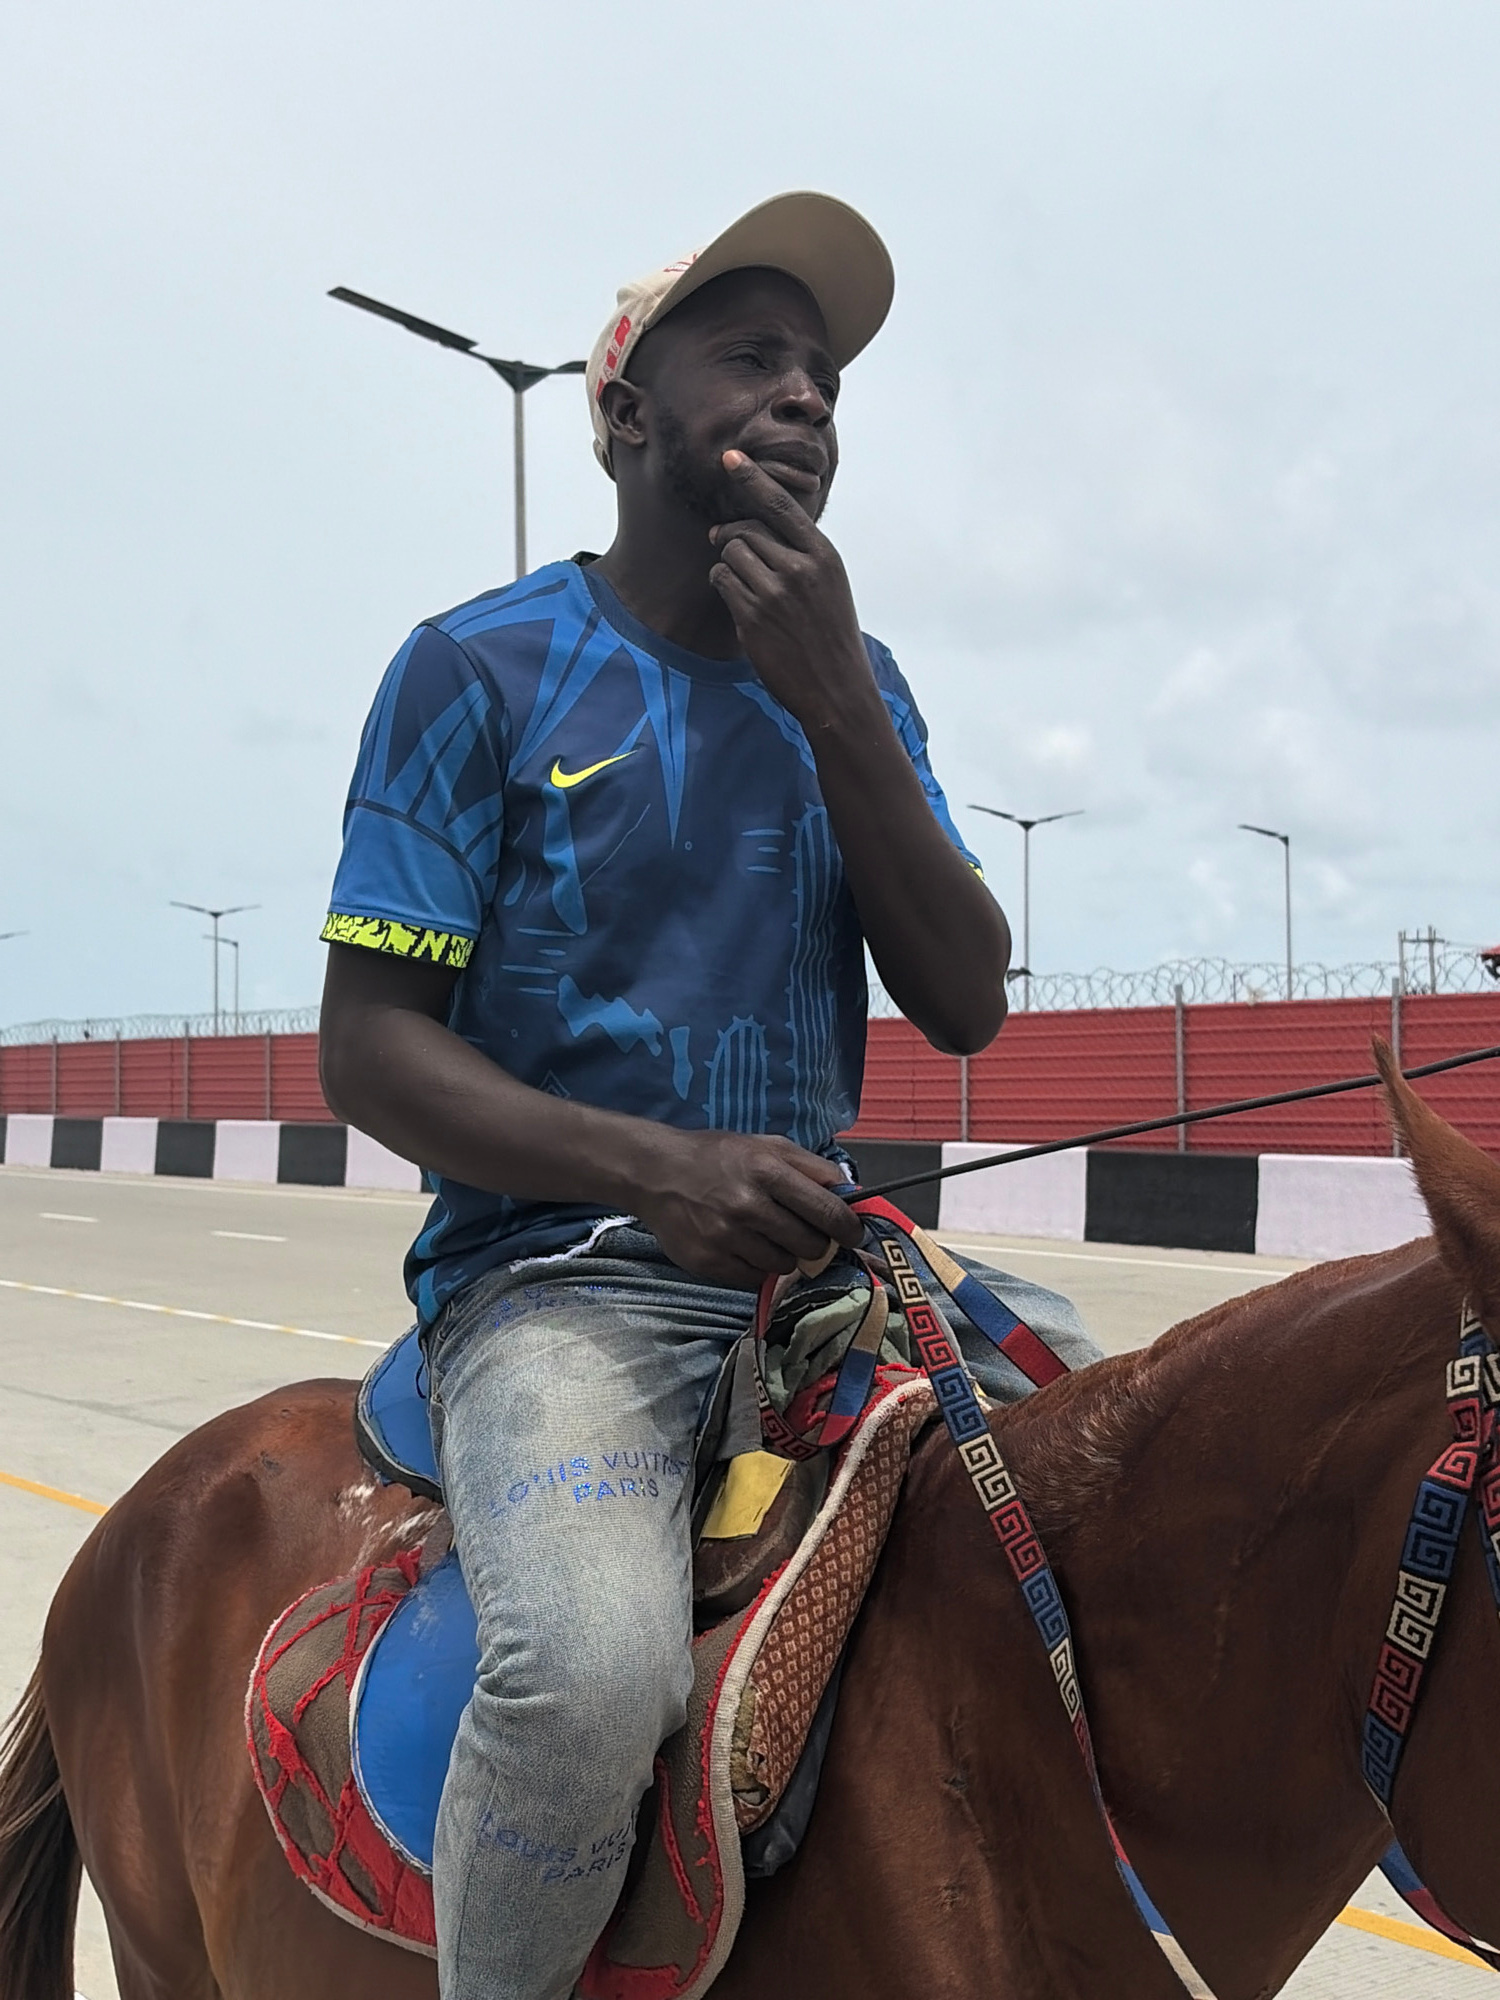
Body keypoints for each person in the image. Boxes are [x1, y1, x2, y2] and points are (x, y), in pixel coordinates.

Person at [318, 191, 1096, 2000]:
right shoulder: (476, 669)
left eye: (822, 375)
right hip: (556, 1286)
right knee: (590, 1679)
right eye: (750, 357)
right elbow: (368, 1048)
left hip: (822, 1280)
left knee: (1133, 1486)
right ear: (623, 415)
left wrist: (836, 705)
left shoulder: (861, 686)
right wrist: (655, 1168)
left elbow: (966, 999)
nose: (806, 394)